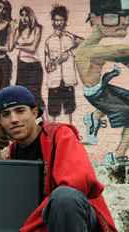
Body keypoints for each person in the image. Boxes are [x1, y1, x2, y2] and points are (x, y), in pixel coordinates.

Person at [0, 85, 116, 232]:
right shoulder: (9, 156)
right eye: (6, 114)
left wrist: (26, 229)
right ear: (0, 121)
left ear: (34, 112)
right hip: (40, 226)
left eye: (20, 111)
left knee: (64, 198)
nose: (14, 119)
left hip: (76, 222)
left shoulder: (61, 135)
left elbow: (75, 184)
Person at [75, 0, 129, 164]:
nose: (124, 22)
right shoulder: (90, 50)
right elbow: (121, 51)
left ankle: (94, 116)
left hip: (100, 90)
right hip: (98, 94)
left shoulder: (91, 46)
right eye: (113, 17)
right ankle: (116, 156)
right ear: (94, 19)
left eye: (127, 16)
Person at [44, 4, 84, 124]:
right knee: (53, 110)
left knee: (69, 109)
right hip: (54, 80)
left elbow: (83, 43)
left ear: (65, 21)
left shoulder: (70, 37)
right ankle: (53, 133)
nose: (58, 22)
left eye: (61, 20)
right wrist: (53, 64)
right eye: (56, 20)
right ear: (53, 21)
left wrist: (69, 52)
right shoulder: (49, 40)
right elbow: (47, 64)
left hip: (68, 78)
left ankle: (71, 130)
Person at [13, 6, 45, 109]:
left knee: (36, 96)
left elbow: (32, 48)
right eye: (22, 15)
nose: (24, 18)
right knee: (20, 96)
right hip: (22, 65)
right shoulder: (19, 30)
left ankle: (43, 122)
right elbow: (10, 46)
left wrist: (19, 46)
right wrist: (13, 30)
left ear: (31, 16)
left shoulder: (37, 28)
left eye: (26, 15)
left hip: (34, 66)